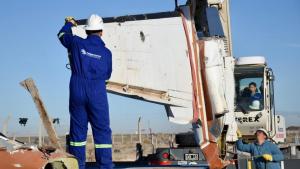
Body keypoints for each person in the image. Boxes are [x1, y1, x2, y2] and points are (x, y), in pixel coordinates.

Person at [58, 15, 113, 169]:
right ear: (101, 32)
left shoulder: (76, 43)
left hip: (77, 89)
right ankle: (105, 166)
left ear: (86, 30)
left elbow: (62, 35)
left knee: (78, 133)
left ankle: (77, 166)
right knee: (102, 131)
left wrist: (69, 24)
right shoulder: (107, 53)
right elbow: (107, 75)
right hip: (97, 91)